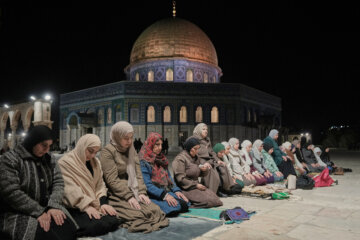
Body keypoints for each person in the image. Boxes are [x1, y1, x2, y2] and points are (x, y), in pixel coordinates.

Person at [0, 125, 77, 240]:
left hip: (48, 207)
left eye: (49, 146)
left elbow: (58, 182)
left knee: (66, 228)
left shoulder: (49, 158)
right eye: (43, 145)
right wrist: (39, 211)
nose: (47, 150)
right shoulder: (10, 159)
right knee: (45, 234)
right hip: (19, 211)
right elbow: (11, 192)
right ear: (32, 141)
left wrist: (53, 205)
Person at [100, 121, 169, 233]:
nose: (129, 141)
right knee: (139, 215)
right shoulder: (108, 152)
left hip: (134, 189)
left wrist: (141, 192)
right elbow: (112, 180)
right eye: (126, 138)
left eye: (131, 137)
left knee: (155, 211)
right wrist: (129, 196)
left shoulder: (131, 150)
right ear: (117, 136)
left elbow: (138, 174)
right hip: (117, 193)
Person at [58, 134, 120, 237]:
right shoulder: (65, 163)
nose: (92, 156)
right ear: (82, 146)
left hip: (94, 203)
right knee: (97, 224)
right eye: (90, 151)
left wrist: (103, 203)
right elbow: (69, 191)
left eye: (96, 152)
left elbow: (100, 185)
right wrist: (86, 206)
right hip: (75, 206)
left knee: (113, 220)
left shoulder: (95, 162)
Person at [139, 132, 189, 216]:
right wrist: (164, 195)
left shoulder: (161, 159)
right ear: (150, 144)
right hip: (153, 194)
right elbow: (147, 185)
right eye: (157, 145)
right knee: (174, 207)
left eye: (161, 145)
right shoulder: (143, 161)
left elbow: (169, 177)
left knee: (185, 203)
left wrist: (176, 190)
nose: (160, 148)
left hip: (164, 190)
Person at [172, 137, 223, 208]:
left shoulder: (196, 157)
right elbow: (180, 179)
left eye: (198, 148)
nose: (197, 151)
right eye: (195, 149)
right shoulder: (180, 159)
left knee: (216, 200)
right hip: (186, 188)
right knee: (209, 201)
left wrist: (204, 170)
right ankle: (187, 203)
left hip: (196, 186)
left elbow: (201, 174)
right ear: (190, 148)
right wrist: (195, 185)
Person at [192, 123, 234, 197]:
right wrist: (201, 164)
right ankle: (213, 192)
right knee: (212, 171)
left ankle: (226, 188)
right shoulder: (194, 140)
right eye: (203, 129)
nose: (206, 131)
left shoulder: (207, 140)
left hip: (209, 160)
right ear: (198, 130)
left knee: (223, 166)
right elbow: (194, 154)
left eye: (207, 129)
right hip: (200, 161)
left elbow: (211, 152)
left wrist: (218, 160)